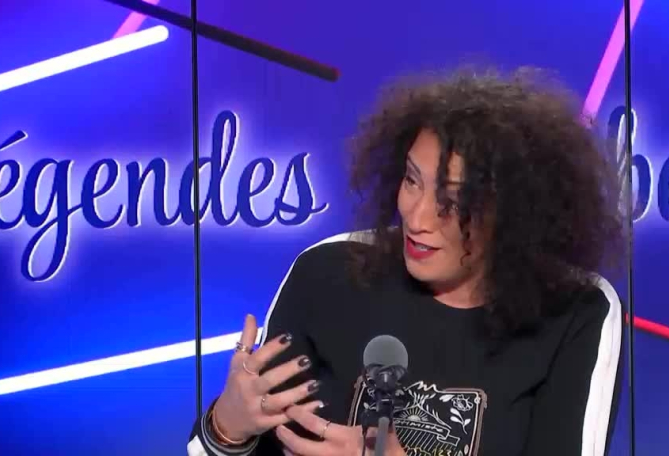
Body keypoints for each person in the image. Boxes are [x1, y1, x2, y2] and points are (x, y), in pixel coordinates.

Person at [188, 67, 625, 456]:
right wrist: (226, 429)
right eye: (412, 180)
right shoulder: (329, 272)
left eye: (452, 201)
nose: (417, 218)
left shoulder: (575, 311)